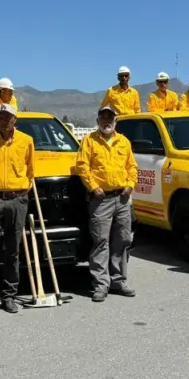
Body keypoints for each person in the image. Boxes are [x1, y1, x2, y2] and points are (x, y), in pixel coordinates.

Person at [0, 103, 35, 316]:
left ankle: (9, 295)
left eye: (7, 117)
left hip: (18, 199)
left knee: (12, 249)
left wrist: (20, 191)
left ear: (15, 120)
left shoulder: (26, 141)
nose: (4, 120)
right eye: (0, 117)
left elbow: (31, 170)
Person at [75, 105, 137, 301]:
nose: (106, 121)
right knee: (101, 241)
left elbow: (132, 167)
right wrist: (93, 187)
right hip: (101, 200)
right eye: (103, 118)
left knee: (123, 240)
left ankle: (118, 280)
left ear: (115, 121)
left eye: (110, 118)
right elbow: (82, 166)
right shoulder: (89, 141)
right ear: (97, 121)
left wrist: (130, 185)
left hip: (122, 198)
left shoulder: (124, 142)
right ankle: (101, 285)